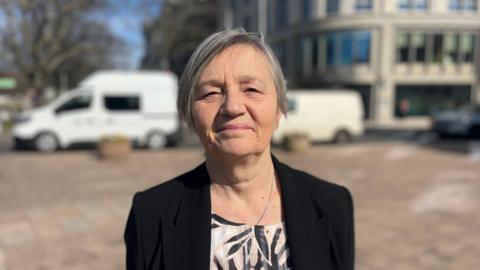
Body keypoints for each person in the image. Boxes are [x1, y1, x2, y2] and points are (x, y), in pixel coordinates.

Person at [124, 29, 355, 270]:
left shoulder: (332, 205)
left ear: (279, 109)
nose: (232, 106)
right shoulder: (151, 213)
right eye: (211, 93)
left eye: (251, 89)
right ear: (188, 115)